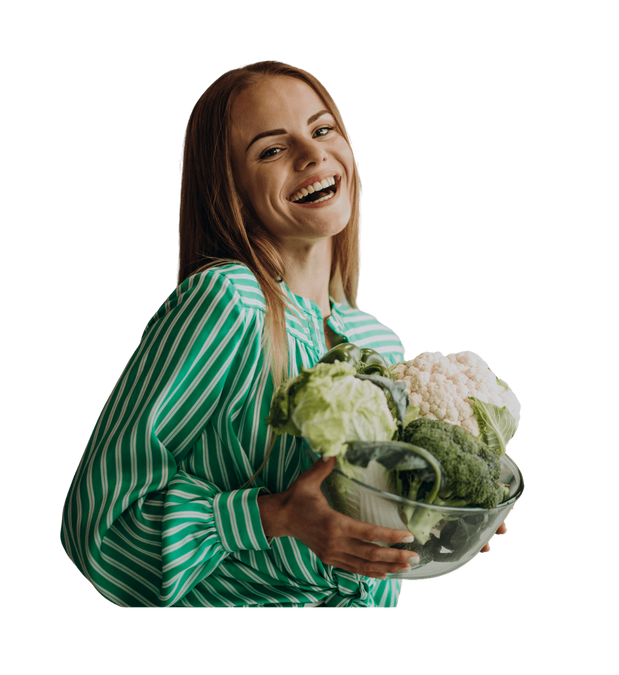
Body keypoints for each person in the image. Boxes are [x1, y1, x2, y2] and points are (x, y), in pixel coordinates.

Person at [58, 58, 505, 610]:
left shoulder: (382, 343)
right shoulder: (227, 302)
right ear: (230, 189)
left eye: (323, 129)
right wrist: (271, 516)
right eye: (271, 150)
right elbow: (98, 525)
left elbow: (373, 551)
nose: (312, 154)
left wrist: (448, 521)